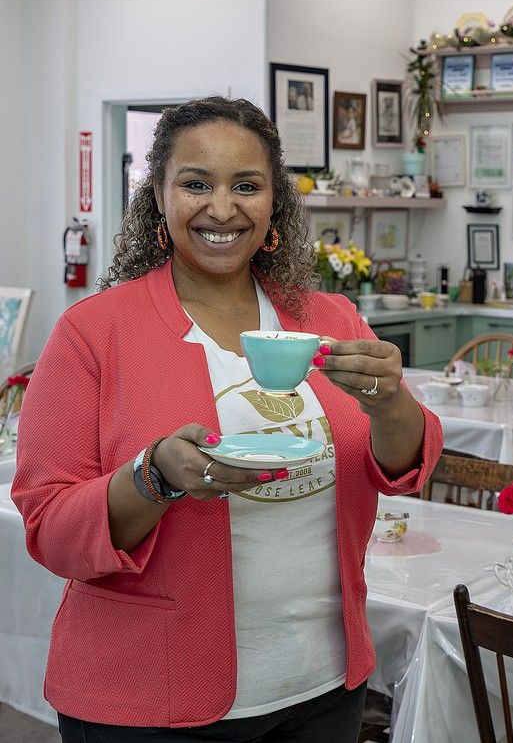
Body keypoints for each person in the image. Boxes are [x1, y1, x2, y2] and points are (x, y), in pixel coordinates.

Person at [12, 96, 443, 741]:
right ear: (159, 196)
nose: (221, 209)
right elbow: (50, 527)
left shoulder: (328, 319)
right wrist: (154, 478)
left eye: (246, 186)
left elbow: (403, 466)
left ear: (274, 203)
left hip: (322, 686)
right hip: (146, 699)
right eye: (196, 184)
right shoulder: (92, 333)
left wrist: (391, 402)